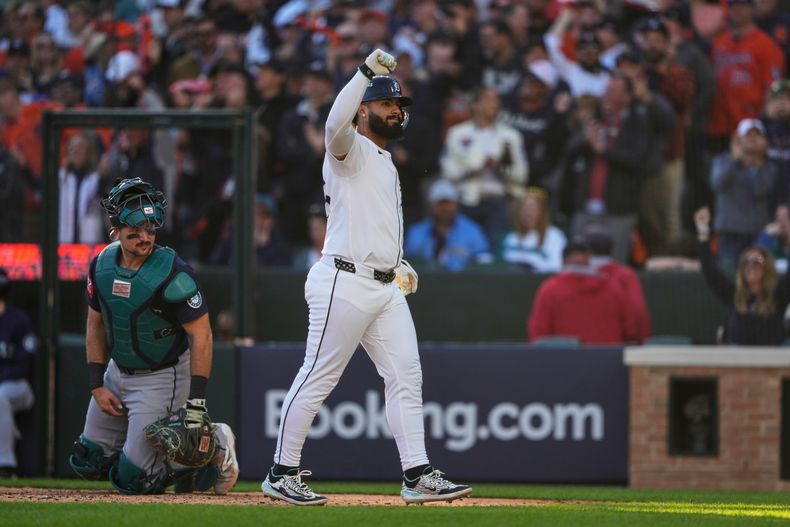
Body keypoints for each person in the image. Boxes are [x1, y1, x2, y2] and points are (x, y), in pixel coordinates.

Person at [261, 49, 471, 506]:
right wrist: (362, 74)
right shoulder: (350, 149)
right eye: (387, 104)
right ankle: (281, 472)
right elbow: (333, 126)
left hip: (382, 285)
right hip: (343, 280)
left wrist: (397, 262)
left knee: (406, 376)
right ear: (364, 109)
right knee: (318, 376)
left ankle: (416, 474)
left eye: (400, 106)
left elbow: (370, 221)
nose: (397, 110)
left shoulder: (382, 158)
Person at [68, 177, 239, 495]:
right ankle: (181, 461)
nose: (145, 237)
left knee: (133, 479)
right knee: (88, 461)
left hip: (161, 375)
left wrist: (196, 404)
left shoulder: (174, 272)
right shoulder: (101, 265)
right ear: (116, 229)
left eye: (150, 229)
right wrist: (96, 383)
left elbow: (202, 336)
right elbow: (94, 324)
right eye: (135, 231)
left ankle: (212, 443)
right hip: (117, 371)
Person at [695, 206, 790, 345]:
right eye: (746, 262)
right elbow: (710, 271)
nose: (750, 266)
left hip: (769, 362)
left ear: (766, 268)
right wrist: (703, 231)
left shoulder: (778, 295)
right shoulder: (735, 294)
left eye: (756, 262)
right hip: (736, 361)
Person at [527, 239, 640, 344]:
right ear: (590, 261)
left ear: (563, 261)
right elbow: (631, 330)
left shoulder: (549, 290)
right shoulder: (614, 289)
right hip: (608, 362)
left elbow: (538, 334)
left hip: (563, 362)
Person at [709, 118, 776, 274]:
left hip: (757, 233)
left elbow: (761, 190)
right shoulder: (722, 161)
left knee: (759, 275)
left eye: (756, 135)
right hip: (730, 232)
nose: (752, 139)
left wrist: (758, 162)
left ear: (764, 141)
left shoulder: (768, 167)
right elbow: (717, 184)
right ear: (737, 139)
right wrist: (735, 159)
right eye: (747, 135)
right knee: (728, 275)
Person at [405, 179, 492, 272]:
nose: (445, 208)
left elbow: (484, 263)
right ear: (431, 205)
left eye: (449, 203)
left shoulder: (473, 231)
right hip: (424, 284)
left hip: (463, 283)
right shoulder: (416, 232)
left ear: (456, 204)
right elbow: (407, 266)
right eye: (440, 203)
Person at [0, 268, 37, 478]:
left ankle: (5, 466)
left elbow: (24, 364)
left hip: (17, 387)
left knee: (0, 397)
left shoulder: (18, 320)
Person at [499, 187, 567, 272]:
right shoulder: (510, 238)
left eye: (533, 209)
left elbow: (556, 268)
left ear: (542, 211)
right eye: (524, 209)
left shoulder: (554, 236)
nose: (528, 214)